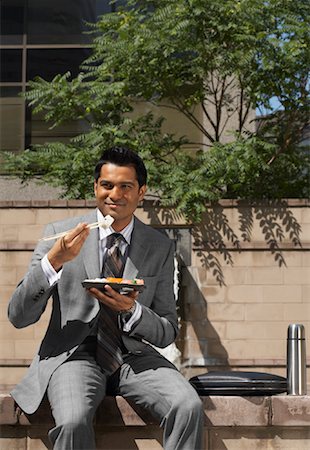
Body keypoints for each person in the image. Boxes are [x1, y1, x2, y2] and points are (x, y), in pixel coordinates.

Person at [8, 146, 204, 450]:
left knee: (187, 406)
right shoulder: (60, 235)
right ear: (96, 187)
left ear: (141, 192)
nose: (115, 194)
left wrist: (133, 311)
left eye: (126, 186)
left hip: (134, 356)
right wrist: (53, 261)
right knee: (72, 422)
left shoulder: (159, 246)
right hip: (74, 354)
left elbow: (167, 332)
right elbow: (18, 316)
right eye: (107, 185)